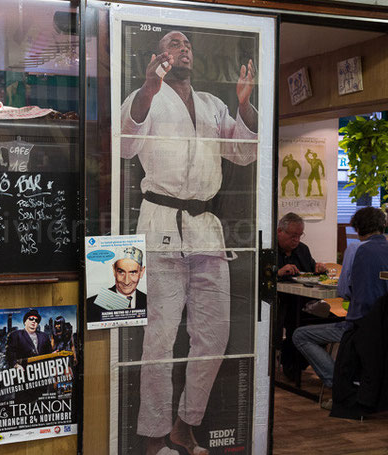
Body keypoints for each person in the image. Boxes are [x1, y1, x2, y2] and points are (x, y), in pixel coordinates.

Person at [120, 29, 257, 455]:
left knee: (213, 337)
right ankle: (153, 436)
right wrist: (147, 88)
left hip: (205, 227)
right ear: (159, 55)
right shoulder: (145, 95)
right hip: (159, 223)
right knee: (159, 338)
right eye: (175, 43)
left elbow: (245, 152)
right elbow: (125, 145)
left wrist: (244, 103)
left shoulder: (212, 105)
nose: (184, 50)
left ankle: (185, 426)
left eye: (188, 45)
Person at [293, 207, 388, 394]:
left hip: (358, 327)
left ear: (357, 228)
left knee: (300, 334)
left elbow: (344, 291)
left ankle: (338, 382)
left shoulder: (356, 249)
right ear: (383, 226)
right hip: (384, 328)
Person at [276, 212, 327, 377]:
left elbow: (311, 270)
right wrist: (278, 272)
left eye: (299, 235)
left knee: (325, 321)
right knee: (294, 321)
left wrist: (319, 269)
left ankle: (299, 363)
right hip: (279, 303)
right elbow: (259, 276)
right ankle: (291, 364)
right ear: (279, 231)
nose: (296, 240)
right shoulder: (268, 249)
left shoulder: (302, 249)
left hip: (304, 302)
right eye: (292, 236)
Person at [86, 246, 147, 323]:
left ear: (141, 272)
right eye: (121, 272)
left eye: (133, 272)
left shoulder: (149, 302)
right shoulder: (91, 304)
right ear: (114, 271)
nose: (126, 281)